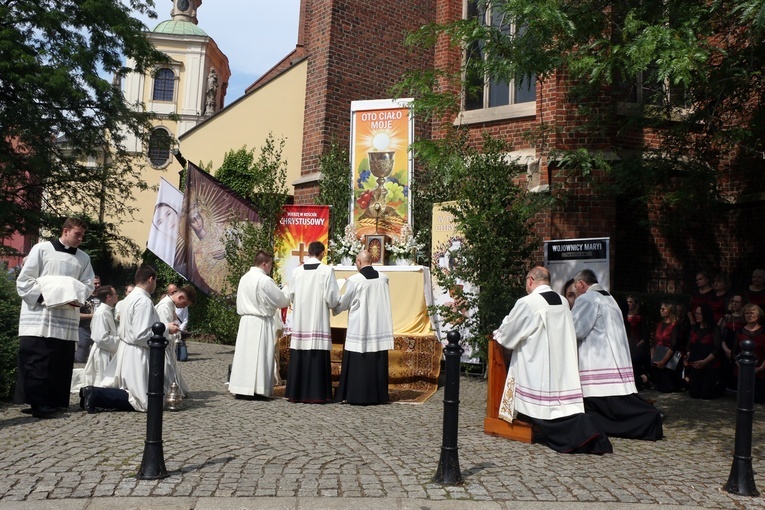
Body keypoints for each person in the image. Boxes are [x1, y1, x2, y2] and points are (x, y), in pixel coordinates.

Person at [494, 267, 612, 454]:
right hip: (560, 366)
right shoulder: (563, 301)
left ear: (530, 280)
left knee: (544, 411)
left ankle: (583, 434)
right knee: (560, 408)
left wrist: (498, 332)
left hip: (538, 367)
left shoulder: (528, 302)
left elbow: (508, 334)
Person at [15, 217, 96, 418]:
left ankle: (55, 401)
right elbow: (25, 281)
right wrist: (46, 296)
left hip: (66, 316)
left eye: (82, 235)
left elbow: (87, 285)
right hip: (41, 315)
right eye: (77, 234)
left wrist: (72, 296)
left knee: (60, 361)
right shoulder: (41, 250)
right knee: (38, 361)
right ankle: (37, 403)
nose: (80, 239)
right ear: (66, 231)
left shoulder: (83, 258)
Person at [571, 268, 663, 441]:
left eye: (576, 288)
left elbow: (576, 330)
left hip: (598, 362)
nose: (576, 292)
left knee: (606, 404)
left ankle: (650, 419)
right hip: (614, 358)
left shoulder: (587, 299)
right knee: (616, 404)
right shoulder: (608, 298)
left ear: (581, 284)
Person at [80, 265, 180, 413]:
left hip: (128, 349)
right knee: (143, 400)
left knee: (135, 391)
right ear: (151, 279)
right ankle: (94, 393)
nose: (156, 285)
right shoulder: (143, 301)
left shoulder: (130, 298)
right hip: (137, 352)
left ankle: (95, 394)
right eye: (156, 281)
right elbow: (141, 334)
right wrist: (166, 328)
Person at [332, 250, 395, 406]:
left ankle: (356, 395)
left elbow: (345, 302)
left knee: (359, 359)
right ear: (371, 261)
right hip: (379, 326)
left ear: (359, 262)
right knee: (377, 358)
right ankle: (379, 395)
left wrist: (336, 304)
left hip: (361, 326)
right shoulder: (384, 278)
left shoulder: (355, 280)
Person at [228, 250, 289, 399]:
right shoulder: (264, 280)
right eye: (270, 265)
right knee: (260, 355)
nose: (270, 269)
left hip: (246, 321)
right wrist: (287, 289)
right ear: (264, 264)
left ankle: (242, 388)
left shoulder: (244, 278)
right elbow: (281, 300)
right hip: (260, 321)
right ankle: (258, 389)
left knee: (245, 356)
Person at [285, 241, 340, 403]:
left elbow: (292, 295)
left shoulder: (297, 272)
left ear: (309, 253)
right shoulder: (327, 270)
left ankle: (297, 393)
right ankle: (317, 394)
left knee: (301, 350)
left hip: (302, 321)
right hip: (318, 321)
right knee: (317, 352)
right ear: (322, 253)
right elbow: (331, 298)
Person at [71, 286, 121, 391]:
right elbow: (100, 337)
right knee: (101, 378)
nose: (117, 295)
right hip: (103, 352)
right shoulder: (101, 313)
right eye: (115, 293)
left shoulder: (107, 311)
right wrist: (119, 341)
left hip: (107, 350)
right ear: (109, 297)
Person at [154, 284, 196, 397]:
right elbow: (161, 330)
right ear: (181, 297)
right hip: (163, 347)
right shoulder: (164, 307)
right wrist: (176, 335)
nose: (183, 307)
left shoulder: (170, 306)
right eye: (184, 304)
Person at [685, 303, 722, 399]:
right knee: (694, 394)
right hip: (695, 364)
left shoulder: (714, 329)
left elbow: (717, 348)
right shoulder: (694, 328)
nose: (696, 316)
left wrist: (704, 362)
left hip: (709, 364)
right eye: (696, 313)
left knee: (706, 395)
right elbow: (689, 345)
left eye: (699, 314)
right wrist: (690, 356)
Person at [651, 302, 683, 393]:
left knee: (667, 388)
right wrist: (652, 357)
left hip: (669, 358)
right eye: (661, 309)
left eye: (663, 309)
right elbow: (654, 342)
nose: (661, 311)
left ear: (670, 311)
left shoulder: (674, 326)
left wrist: (663, 361)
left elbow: (673, 346)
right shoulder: (660, 324)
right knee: (659, 387)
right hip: (658, 356)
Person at [736, 304, 765, 403]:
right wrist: (740, 366)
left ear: (759, 315)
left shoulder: (764, 331)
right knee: (743, 399)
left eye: (752, 313)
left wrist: (761, 368)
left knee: (758, 399)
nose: (749, 315)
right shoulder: (739, 331)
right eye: (747, 313)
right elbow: (734, 351)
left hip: (761, 371)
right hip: (742, 370)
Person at [625, 295, 650, 390]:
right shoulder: (624, 316)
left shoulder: (639, 318)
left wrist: (637, 346)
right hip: (626, 344)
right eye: (627, 302)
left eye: (631, 302)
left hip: (636, 346)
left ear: (635, 304)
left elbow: (644, 335)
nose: (629, 304)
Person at [75, 275, 101, 363]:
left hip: (99, 330)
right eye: (95, 283)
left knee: (99, 358)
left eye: (99, 283)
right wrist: (92, 316)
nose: (97, 285)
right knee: (81, 359)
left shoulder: (104, 296)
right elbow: (76, 315)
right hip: (84, 329)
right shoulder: (83, 297)